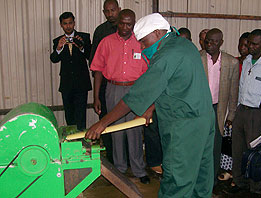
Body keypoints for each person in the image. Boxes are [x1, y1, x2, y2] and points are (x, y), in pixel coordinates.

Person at [86, 13, 215, 197]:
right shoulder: (184, 45)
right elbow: (174, 85)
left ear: (156, 33)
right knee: (201, 176)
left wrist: (102, 123)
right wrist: (151, 107)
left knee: (177, 181)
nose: (142, 47)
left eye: (144, 43)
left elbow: (135, 96)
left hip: (183, 126)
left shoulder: (166, 55)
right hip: (203, 120)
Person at [90, 9, 149, 184]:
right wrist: (96, 97)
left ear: (134, 24)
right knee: (115, 130)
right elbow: (98, 70)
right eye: (122, 23)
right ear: (118, 23)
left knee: (135, 130)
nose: (124, 27)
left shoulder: (141, 44)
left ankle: (139, 169)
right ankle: (120, 169)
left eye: (129, 24)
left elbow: (148, 73)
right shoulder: (106, 42)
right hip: (113, 89)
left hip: (135, 90)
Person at [230, 29, 261, 195]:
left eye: (255, 44)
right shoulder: (248, 61)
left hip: (257, 115)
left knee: (255, 153)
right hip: (241, 111)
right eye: (249, 42)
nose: (250, 46)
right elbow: (241, 88)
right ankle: (238, 181)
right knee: (237, 150)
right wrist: (235, 112)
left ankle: (255, 188)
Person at [200, 28, 239, 184]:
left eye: (214, 41)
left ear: (221, 42)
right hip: (200, 109)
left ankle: (212, 180)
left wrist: (231, 116)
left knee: (215, 146)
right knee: (199, 145)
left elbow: (233, 91)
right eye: (208, 41)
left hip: (218, 110)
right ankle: (198, 178)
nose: (210, 44)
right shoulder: (197, 58)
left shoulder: (231, 62)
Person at [89, 0, 121, 164]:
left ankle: (129, 161)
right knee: (107, 122)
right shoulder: (101, 32)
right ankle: (112, 161)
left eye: (113, 10)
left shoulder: (132, 29)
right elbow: (96, 66)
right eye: (107, 11)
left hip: (129, 85)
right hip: (107, 84)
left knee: (129, 125)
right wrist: (96, 97)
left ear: (119, 9)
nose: (110, 14)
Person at [50, 12, 91, 130]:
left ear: (74, 23)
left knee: (81, 115)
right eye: (65, 24)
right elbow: (54, 59)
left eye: (70, 23)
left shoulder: (84, 37)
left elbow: (90, 56)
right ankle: (72, 142)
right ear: (61, 25)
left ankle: (82, 141)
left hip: (81, 83)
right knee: (69, 115)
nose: (68, 26)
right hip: (66, 84)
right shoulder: (58, 40)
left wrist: (82, 47)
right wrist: (58, 48)